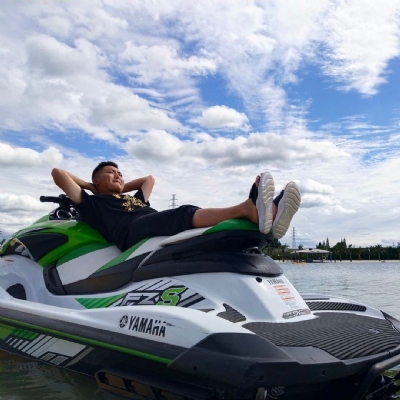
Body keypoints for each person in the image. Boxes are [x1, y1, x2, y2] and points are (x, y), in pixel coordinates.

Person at [51, 161, 301, 251]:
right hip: (130, 232)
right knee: (183, 212)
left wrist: (119, 185)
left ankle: (270, 216)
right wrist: (91, 187)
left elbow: (149, 179)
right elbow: (58, 173)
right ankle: (249, 209)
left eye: (120, 173)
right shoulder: (92, 202)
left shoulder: (137, 199)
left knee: (181, 214)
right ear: (96, 181)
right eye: (110, 172)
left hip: (150, 223)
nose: (117, 175)